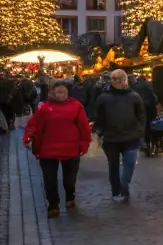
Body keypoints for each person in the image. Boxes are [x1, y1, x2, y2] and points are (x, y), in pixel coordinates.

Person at [23, 80, 91, 217]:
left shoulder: (76, 106)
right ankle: (53, 205)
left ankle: (70, 196)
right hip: (48, 150)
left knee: (69, 180)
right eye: (58, 92)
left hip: (71, 149)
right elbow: (33, 124)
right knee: (49, 180)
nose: (61, 95)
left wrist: (84, 143)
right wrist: (28, 137)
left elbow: (84, 127)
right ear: (52, 93)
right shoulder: (44, 108)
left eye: (64, 92)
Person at [93, 69, 145, 202]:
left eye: (117, 79)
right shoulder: (105, 97)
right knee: (117, 165)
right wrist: (99, 132)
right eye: (113, 79)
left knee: (125, 164)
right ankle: (118, 190)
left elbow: (141, 115)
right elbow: (100, 117)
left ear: (123, 80)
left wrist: (139, 131)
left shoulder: (134, 96)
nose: (115, 81)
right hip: (113, 137)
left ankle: (122, 187)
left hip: (128, 137)